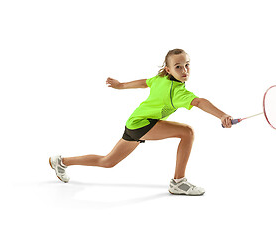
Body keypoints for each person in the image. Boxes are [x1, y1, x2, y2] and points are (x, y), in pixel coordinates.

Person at [49, 48, 233, 196]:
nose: (184, 70)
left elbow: (146, 82)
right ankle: (179, 182)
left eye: (187, 65)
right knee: (188, 132)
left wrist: (121, 85)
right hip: (142, 123)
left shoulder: (161, 79)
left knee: (107, 161)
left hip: (134, 123)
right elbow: (199, 102)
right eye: (178, 67)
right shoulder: (177, 91)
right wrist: (222, 115)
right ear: (168, 69)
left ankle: (61, 161)